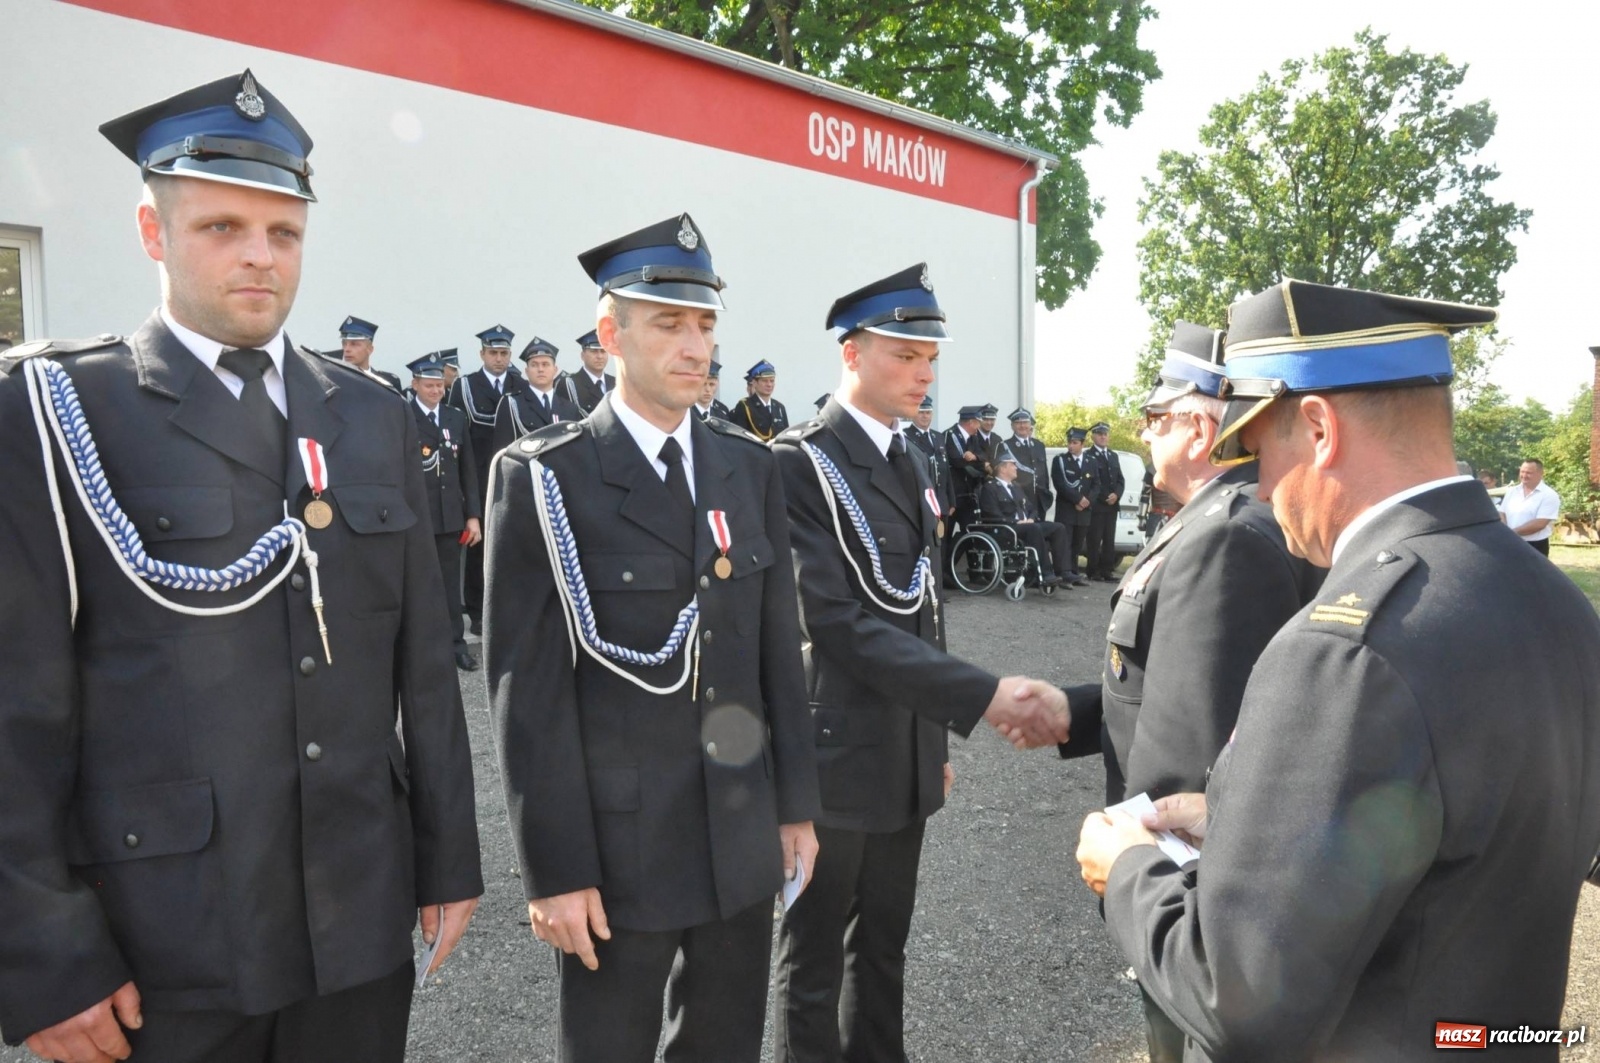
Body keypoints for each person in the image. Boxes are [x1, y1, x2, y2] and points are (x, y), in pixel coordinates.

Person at [0, 70, 482, 1063]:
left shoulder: (370, 414)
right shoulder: (60, 410)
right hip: (164, 936)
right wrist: (44, 949)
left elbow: (425, 663)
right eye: (222, 226)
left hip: (355, 921)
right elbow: (16, 705)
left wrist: (447, 858)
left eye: (284, 232)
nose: (260, 255)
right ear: (152, 232)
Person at [1076, 279, 1600, 1060]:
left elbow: (1239, 999)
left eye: (1262, 450)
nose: (1260, 486)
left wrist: (1127, 868)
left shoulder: (1345, 647)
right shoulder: (1558, 603)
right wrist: (1242, 818)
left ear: (1319, 429)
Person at [485, 213, 819, 1063]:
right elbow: (528, 693)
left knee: (725, 1048)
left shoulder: (749, 465)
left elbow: (778, 652)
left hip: (738, 835)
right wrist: (556, 868)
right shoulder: (545, 475)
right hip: (618, 848)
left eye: (705, 324)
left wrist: (795, 807)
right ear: (611, 334)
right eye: (669, 323)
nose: (695, 345)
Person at [770, 263, 1070, 1063]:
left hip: (901, 749)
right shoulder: (801, 461)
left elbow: (923, 610)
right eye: (905, 355)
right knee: (813, 963)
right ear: (852, 352)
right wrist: (981, 694)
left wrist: (932, 739)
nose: (924, 374)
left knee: (884, 948)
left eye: (930, 358)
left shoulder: (911, 457)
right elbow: (833, 622)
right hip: (831, 754)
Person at [1057, 321, 1321, 1061]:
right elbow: (1158, 675)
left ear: (1200, 429)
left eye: (1155, 416)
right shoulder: (1215, 518)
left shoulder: (1226, 534)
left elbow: (1199, 753)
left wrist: (1145, 884)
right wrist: (1072, 713)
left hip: (1187, 890)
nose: (1144, 433)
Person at [449, 323, 525, 634]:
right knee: (478, 546)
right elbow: (457, 436)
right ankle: (478, 610)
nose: (499, 358)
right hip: (479, 476)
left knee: (514, 543)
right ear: (482, 354)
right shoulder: (466, 386)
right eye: (493, 353)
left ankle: (511, 607)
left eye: (504, 353)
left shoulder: (521, 384)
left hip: (515, 477)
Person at [409, 352, 483, 672]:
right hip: (417, 518)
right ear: (415, 385)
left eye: (440, 385)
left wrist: (473, 516)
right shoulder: (404, 416)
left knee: (450, 587)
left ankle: (456, 646)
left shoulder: (455, 417)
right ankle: (422, 650)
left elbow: (468, 470)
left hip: (450, 516)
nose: (436, 390)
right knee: (418, 586)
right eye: (429, 385)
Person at [978, 447, 1070, 587]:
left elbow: (1031, 508)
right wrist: (1016, 521)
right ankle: (1046, 574)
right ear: (1002, 469)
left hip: (1026, 525)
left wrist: (1031, 518)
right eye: (1012, 465)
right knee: (1033, 529)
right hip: (1006, 528)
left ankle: (1063, 572)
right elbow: (992, 514)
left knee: (1058, 528)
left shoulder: (1016, 487)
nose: (1016, 468)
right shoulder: (990, 488)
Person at [492, 336, 583, 454]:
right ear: (526, 371)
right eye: (534, 365)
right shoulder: (512, 404)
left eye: (545, 364)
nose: (540, 369)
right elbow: (502, 452)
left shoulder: (570, 409)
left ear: (555, 370)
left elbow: (577, 452)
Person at [1050, 427, 1095, 585]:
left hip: (1084, 510)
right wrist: (1077, 499)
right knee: (1065, 542)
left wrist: (1087, 501)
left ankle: (1074, 573)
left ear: (1082, 444)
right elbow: (1060, 484)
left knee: (1077, 543)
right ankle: (1063, 573)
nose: (1071, 446)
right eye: (1069, 442)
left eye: (1075, 443)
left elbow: (1096, 485)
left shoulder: (1091, 461)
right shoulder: (1060, 460)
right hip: (1067, 508)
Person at [1084, 421, 1124, 581]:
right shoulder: (1088, 455)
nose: (1103, 437)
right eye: (1099, 434)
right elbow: (1092, 481)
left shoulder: (1113, 455)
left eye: (1105, 434)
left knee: (1109, 539)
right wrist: (1105, 497)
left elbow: (1120, 479)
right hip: (1097, 505)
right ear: (1093, 436)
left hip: (1112, 506)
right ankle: (1093, 571)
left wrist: (1116, 495)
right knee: (1094, 539)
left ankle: (1107, 571)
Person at [1499, 457, 1560, 555]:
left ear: (1540, 473)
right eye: (1522, 472)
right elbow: (1502, 513)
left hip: (1535, 546)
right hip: (1509, 542)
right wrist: (1506, 532)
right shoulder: (1512, 491)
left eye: (1528, 473)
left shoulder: (1549, 495)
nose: (1524, 475)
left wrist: (1512, 533)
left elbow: (1540, 523)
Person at [1005, 408, 1053, 521]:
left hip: (1040, 500)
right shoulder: (1006, 446)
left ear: (1030, 424)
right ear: (1012, 426)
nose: (1022, 426)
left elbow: (1044, 474)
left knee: (1041, 530)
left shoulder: (1039, 445)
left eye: (1025, 422)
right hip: (1020, 500)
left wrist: (1046, 492)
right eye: (1018, 423)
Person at [944, 405, 988, 529]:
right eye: (978, 423)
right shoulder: (949, 435)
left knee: (971, 530)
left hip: (969, 494)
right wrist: (978, 463)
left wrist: (974, 457)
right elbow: (957, 461)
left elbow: (983, 455)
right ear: (971, 422)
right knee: (946, 532)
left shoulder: (974, 437)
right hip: (953, 495)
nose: (979, 427)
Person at [338, 314, 401, 392]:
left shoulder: (388, 382)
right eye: (344, 344)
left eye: (354, 344)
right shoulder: (334, 379)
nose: (347, 349)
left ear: (370, 349)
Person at [731, 359, 789, 441]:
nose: (769, 384)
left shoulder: (779, 407)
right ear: (754, 383)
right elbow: (740, 439)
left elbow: (785, 437)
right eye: (765, 381)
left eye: (772, 381)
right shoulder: (745, 406)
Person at [569, 328, 615, 414]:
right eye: (594, 351)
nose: (599, 356)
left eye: (603, 351)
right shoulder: (570, 384)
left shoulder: (616, 383)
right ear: (582, 356)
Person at [692, 356, 731, 422]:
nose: (708, 389)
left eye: (712, 384)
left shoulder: (721, 416)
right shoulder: (684, 414)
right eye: (703, 384)